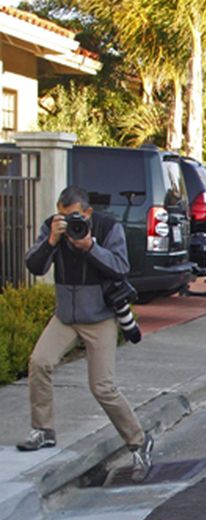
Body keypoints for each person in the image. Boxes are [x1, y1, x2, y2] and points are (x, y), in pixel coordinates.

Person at [19, 186, 153, 483]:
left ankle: (139, 442)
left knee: (102, 387)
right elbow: (35, 266)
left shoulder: (107, 228)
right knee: (40, 362)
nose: (67, 222)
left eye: (73, 217)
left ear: (88, 213)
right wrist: (52, 240)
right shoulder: (52, 229)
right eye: (62, 216)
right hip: (65, 317)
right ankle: (43, 430)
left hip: (100, 317)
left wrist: (90, 246)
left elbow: (120, 267)